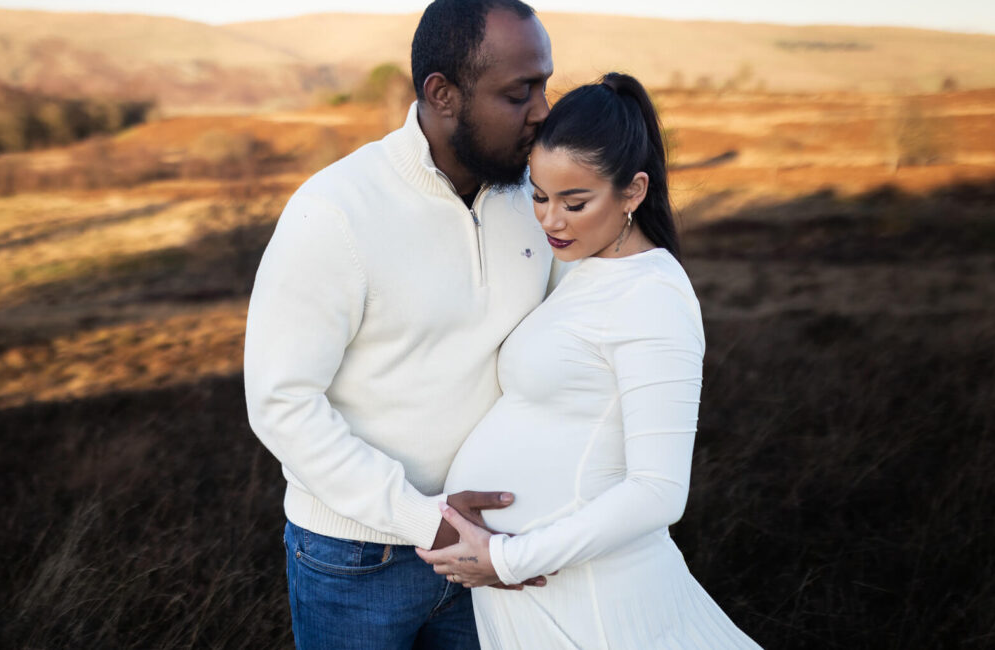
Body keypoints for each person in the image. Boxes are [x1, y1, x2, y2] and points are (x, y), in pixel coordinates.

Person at [243, 1, 555, 647]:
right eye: (519, 92)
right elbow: (281, 403)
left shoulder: (540, 200)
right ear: (442, 94)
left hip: (497, 548)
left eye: (546, 85)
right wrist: (428, 521)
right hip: (358, 560)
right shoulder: (334, 212)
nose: (543, 110)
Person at [417, 73, 763, 649]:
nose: (551, 221)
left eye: (575, 203)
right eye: (539, 196)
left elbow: (659, 491)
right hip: (542, 594)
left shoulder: (653, 295)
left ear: (633, 192)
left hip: (597, 604)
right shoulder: (586, 268)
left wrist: (507, 557)